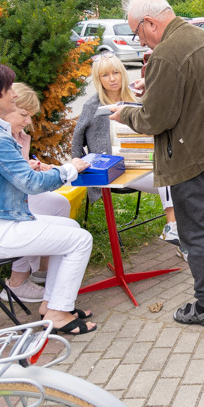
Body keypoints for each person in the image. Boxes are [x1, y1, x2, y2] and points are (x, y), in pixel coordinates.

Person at [109, 0, 204, 328]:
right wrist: (152, 85)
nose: (139, 40)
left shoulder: (167, 53)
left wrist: (125, 113)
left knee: (196, 232)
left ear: (151, 23)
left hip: (193, 154)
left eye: (137, 33)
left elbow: (156, 120)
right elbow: (191, 88)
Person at [0, 57, 96, 334]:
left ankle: (52, 304)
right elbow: (30, 183)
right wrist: (69, 169)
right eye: (8, 88)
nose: (14, 93)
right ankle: (57, 313)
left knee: (70, 228)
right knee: (80, 239)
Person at [72, 52, 183, 257]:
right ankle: (176, 231)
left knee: (178, 180)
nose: (112, 79)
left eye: (115, 73)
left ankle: (176, 231)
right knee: (170, 180)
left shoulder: (138, 99)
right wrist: (82, 168)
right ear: (98, 79)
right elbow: (77, 139)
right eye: (105, 75)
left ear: (123, 74)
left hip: (141, 163)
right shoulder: (93, 106)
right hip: (114, 169)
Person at [0, 83, 72, 301]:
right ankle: (16, 283)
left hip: (18, 191)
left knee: (59, 204)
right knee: (32, 216)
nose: (28, 121)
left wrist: (36, 166)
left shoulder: (20, 135)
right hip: (4, 199)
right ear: (6, 109)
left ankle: (42, 267)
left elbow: (20, 171)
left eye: (30, 116)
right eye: (23, 114)